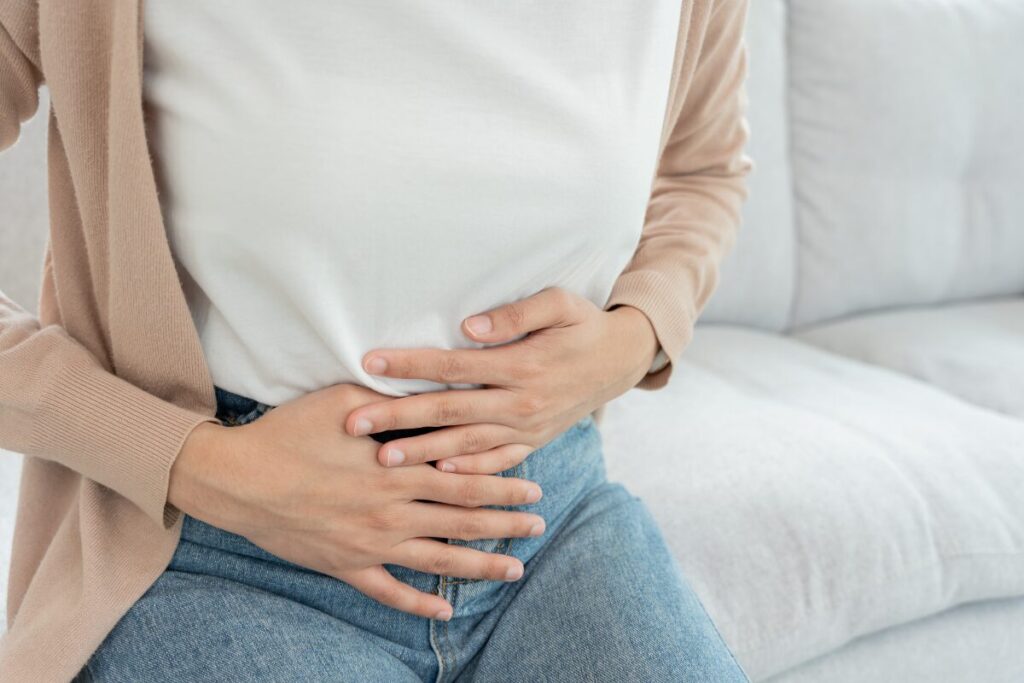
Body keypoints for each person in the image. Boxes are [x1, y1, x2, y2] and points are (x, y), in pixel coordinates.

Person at [0, 1, 752, 681]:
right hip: (212, 548)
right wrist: (189, 460)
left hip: (548, 520)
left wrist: (632, 340)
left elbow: (701, 169)